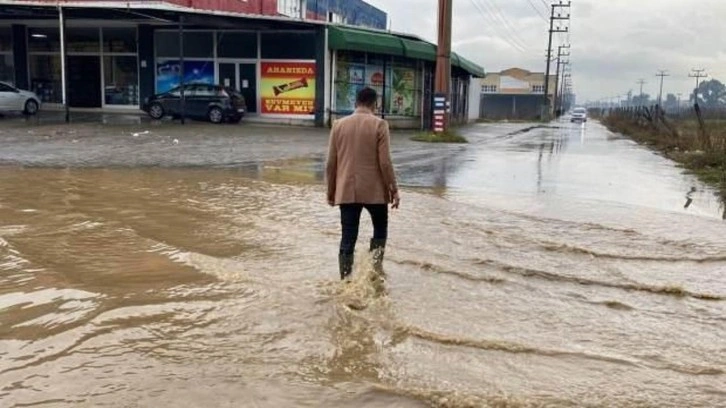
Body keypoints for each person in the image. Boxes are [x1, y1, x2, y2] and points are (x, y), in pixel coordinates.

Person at [326, 87, 400, 280]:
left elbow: (331, 163)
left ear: (355, 102)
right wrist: (393, 188)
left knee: (348, 236)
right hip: (375, 192)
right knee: (380, 228)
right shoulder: (380, 125)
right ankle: (375, 271)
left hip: (347, 191)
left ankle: (345, 279)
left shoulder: (338, 125)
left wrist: (331, 191)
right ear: (374, 104)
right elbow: (385, 162)